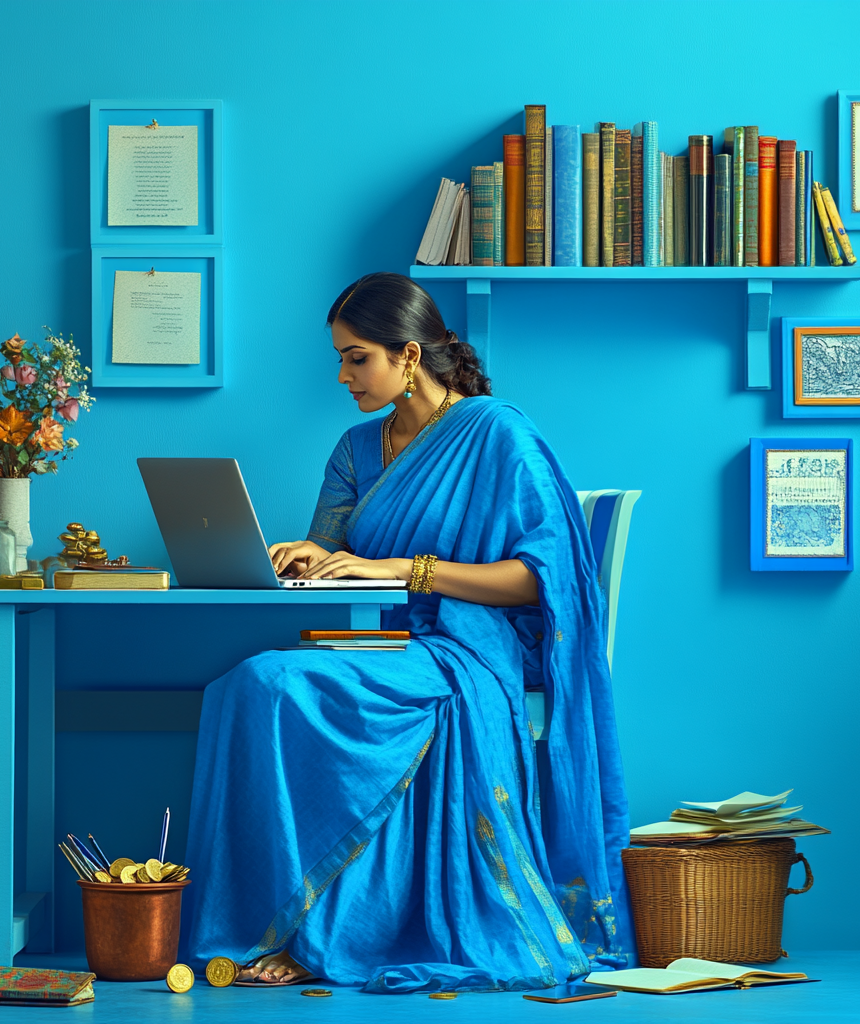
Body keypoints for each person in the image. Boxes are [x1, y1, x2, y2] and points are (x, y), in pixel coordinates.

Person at [182, 272, 633, 992]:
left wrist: (410, 570)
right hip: (370, 641)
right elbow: (331, 555)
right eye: (340, 357)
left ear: (410, 355)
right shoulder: (358, 447)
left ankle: (325, 933)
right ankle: (282, 918)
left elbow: (541, 580)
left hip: (467, 645)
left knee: (277, 683)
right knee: (250, 684)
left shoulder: (496, 433)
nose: (341, 375)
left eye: (356, 357)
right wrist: (303, 558)